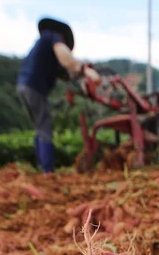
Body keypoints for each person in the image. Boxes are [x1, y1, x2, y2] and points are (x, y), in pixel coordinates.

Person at [17, 18, 100, 173]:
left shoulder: (45, 48)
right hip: (33, 87)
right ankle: (47, 171)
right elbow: (66, 58)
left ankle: (42, 167)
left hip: (24, 85)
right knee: (45, 125)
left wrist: (78, 76)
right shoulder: (52, 37)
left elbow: (66, 74)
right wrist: (83, 69)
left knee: (40, 126)